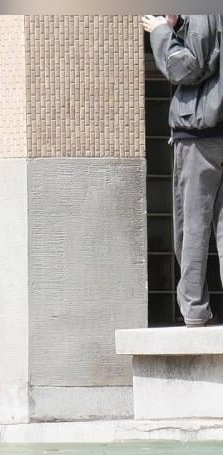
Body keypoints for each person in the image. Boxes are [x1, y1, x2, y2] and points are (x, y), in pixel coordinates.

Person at [144, 15, 223, 327]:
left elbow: (186, 67)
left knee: (192, 225)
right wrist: (178, 27)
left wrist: (161, 32)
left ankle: (194, 310)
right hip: (209, 132)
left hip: (201, 133)